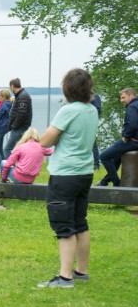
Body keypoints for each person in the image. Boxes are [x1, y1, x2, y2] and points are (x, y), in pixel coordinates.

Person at [36, 68, 99, 288]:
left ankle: (65, 277)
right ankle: (81, 271)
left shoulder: (67, 111)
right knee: (80, 223)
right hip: (84, 172)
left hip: (65, 174)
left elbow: (45, 141)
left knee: (64, 226)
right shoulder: (92, 110)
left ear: (68, 88)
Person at [95, 87, 138, 187]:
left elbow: (133, 124)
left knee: (104, 156)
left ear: (131, 95)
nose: (121, 100)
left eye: (123, 97)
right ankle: (104, 182)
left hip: (133, 141)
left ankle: (116, 182)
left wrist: (126, 136)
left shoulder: (132, 107)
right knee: (117, 156)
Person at [3, 77, 33, 158]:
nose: (10, 89)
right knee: (21, 149)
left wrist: (14, 126)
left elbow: (21, 114)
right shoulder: (20, 95)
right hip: (20, 127)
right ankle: (20, 167)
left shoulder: (22, 96)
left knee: (7, 149)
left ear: (12, 86)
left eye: (10, 87)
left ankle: (11, 169)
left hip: (19, 127)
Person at [90, 92, 102, 171]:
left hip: (90, 122)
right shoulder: (83, 96)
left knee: (93, 145)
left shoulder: (95, 96)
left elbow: (98, 110)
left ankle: (96, 165)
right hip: (82, 122)